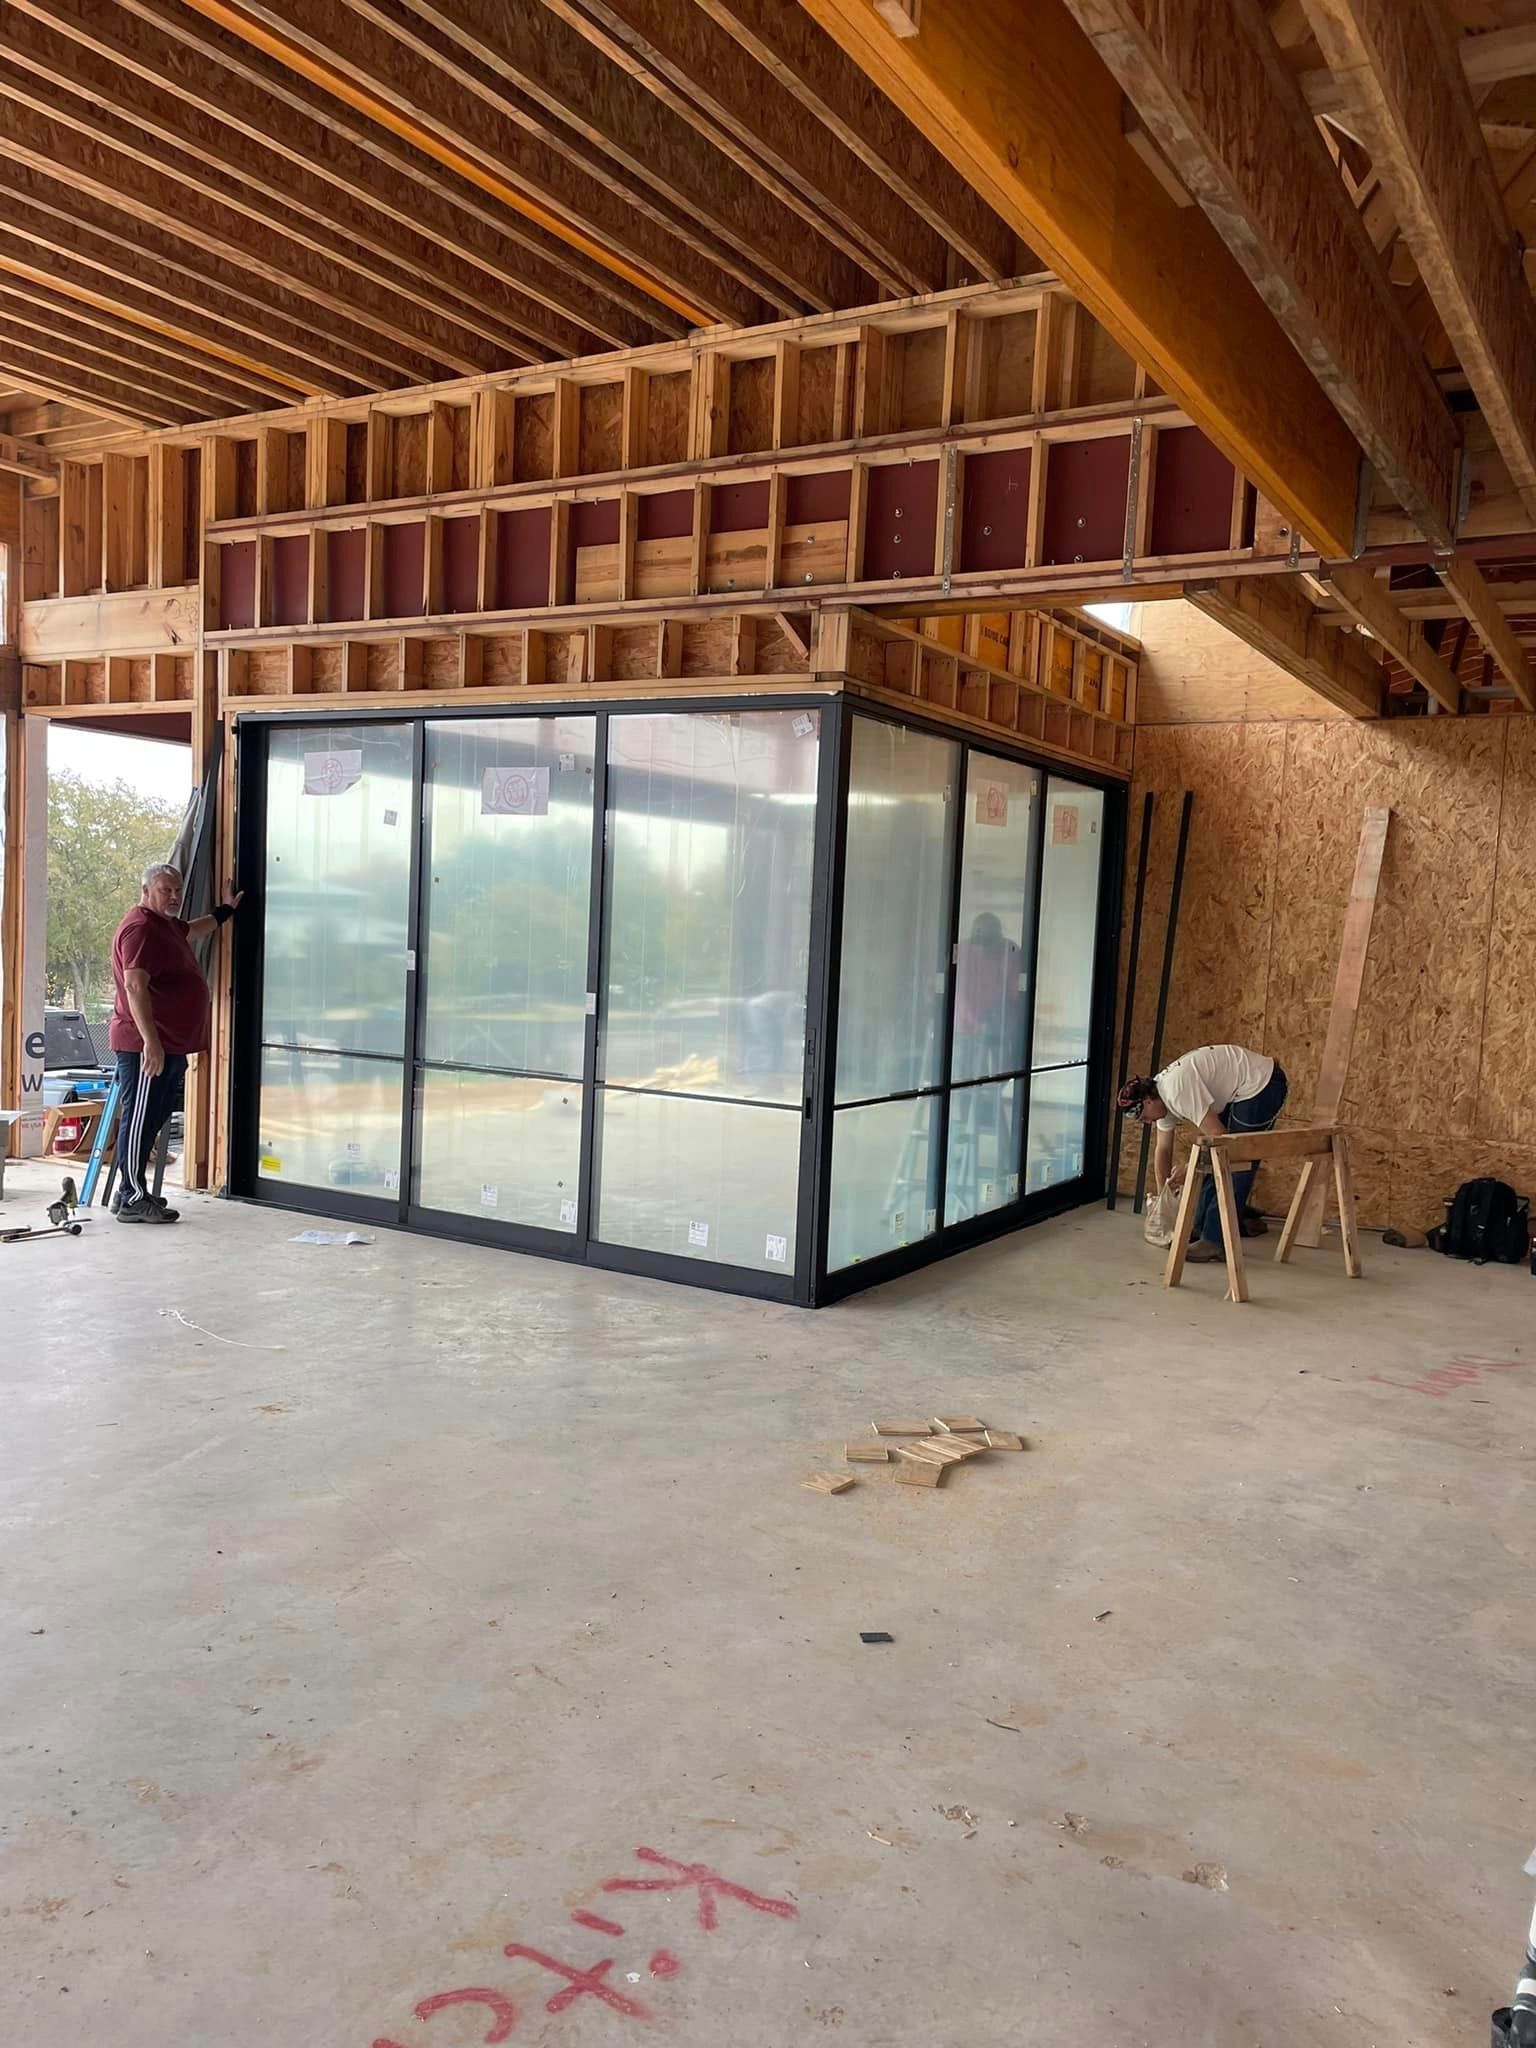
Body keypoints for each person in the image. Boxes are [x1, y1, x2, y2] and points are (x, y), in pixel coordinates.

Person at [108, 861, 242, 1225]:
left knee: (153, 1116)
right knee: (139, 1119)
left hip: (169, 1044)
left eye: (177, 889)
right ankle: (134, 1196)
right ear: (147, 890)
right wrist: (151, 1043)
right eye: (166, 889)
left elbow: (195, 929)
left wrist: (225, 910)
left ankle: (129, 1193)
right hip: (145, 1045)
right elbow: (135, 986)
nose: (174, 896)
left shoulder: (165, 926)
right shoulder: (139, 929)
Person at [1117, 1044, 1288, 1262]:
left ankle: (1214, 1240)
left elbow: (1219, 1137)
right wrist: (1164, 1198)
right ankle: (1209, 1227)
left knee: (1235, 1160)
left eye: (1143, 1117)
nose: (1147, 1123)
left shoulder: (1176, 1091)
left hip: (1262, 1084)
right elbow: (1163, 1150)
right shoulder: (1160, 1100)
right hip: (1240, 1088)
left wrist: (1190, 1168)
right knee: (1217, 1159)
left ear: (1148, 1101)